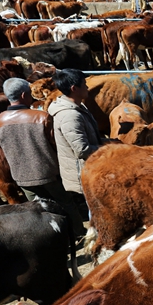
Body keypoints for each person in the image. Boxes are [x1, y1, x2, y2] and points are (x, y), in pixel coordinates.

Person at [0, 79, 78, 225]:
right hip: (49, 173)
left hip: (21, 176)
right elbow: (56, 144)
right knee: (66, 203)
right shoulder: (42, 117)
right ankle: (77, 232)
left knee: (39, 209)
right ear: (24, 95)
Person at [47, 69, 103, 224]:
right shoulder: (70, 116)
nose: (87, 87)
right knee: (95, 209)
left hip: (88, 168)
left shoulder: (78, 107)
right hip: (83, 171)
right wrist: (110, 149)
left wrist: (107, 141)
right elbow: (82, 150)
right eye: (84, 84)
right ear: (74, 89)